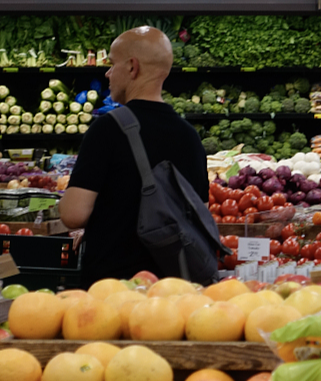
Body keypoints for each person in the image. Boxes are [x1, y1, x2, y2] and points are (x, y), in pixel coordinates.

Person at [59, 26, 209, 288]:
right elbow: (199, 212)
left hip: (113, 288)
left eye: (112, 64)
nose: (107, 73)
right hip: (172, 288)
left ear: (132, 67)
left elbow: (73, 215)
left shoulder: (107, 128)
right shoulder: (189, 136)